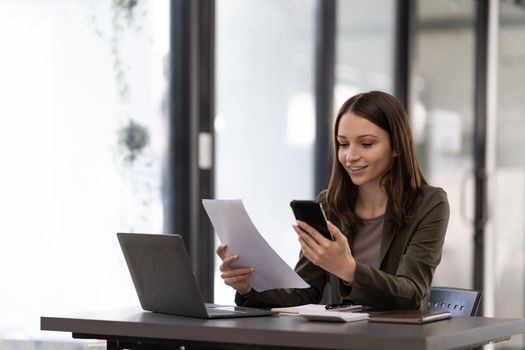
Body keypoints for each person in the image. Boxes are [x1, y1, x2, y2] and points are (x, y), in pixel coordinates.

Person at [216, 91, 450, 310]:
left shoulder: (430, 204)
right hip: (343, 338)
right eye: (343, 144)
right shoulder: (329, 204)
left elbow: (411, 294)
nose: (350, 156)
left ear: (397, 146)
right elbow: (305, 292)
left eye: (366, 144)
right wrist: (248, 287)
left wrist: (347, 269)